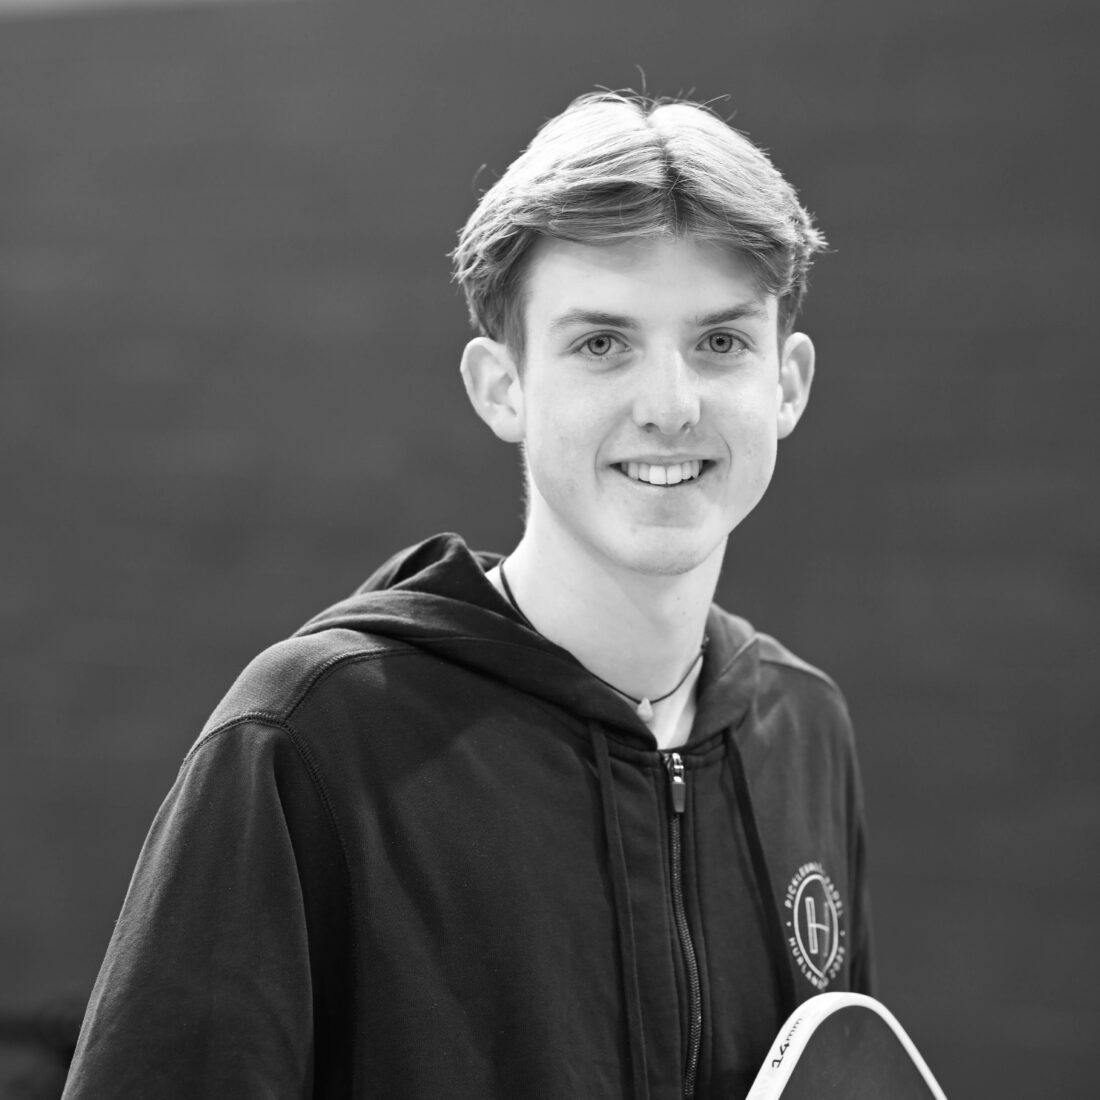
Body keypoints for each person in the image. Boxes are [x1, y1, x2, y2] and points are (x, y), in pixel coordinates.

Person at [63, 91, 874, 1100]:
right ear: (502, 387)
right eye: (600, 343)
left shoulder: (802, 728)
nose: (669, 406)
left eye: (719, 342)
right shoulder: (308, 740)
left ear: (786, 382)